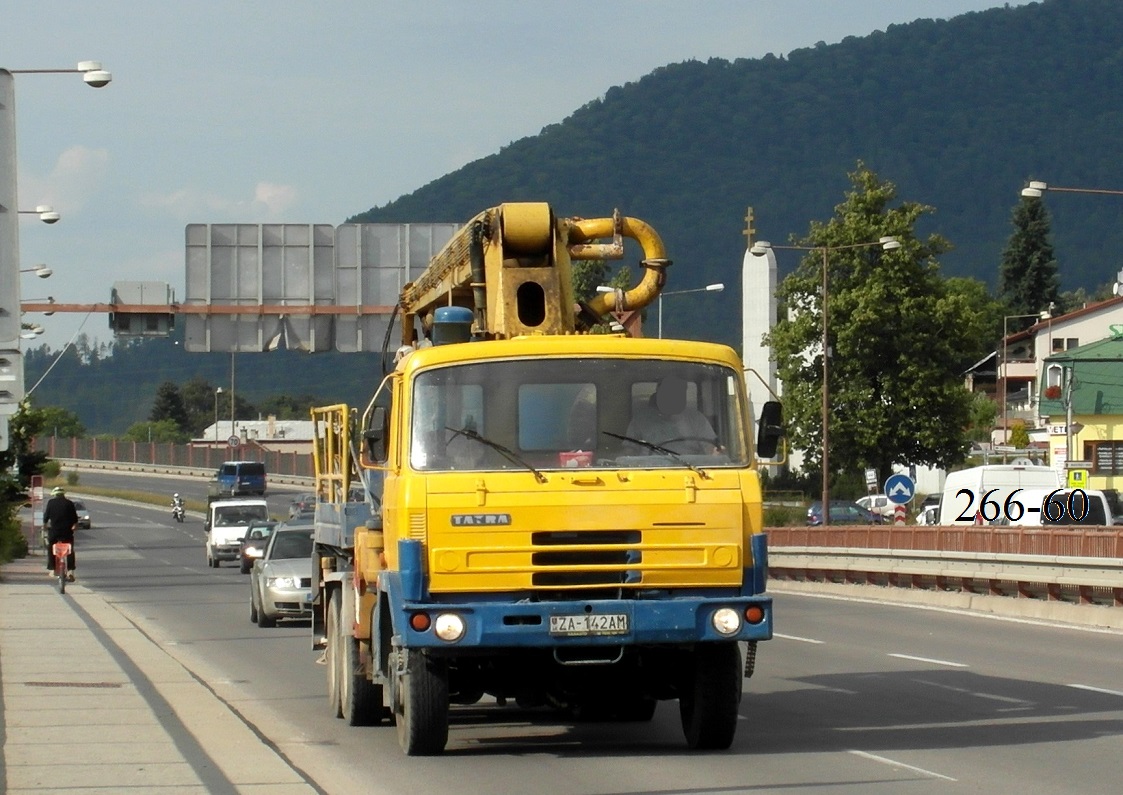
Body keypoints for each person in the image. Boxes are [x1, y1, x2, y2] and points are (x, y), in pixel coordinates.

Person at [625, 375, 719, 455]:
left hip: (691, 471)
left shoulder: (697, 419)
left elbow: (710, 446)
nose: (673, 395)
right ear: (659, 393)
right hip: (649, 471)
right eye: (669, 390)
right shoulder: (640, 420)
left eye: (678, 391)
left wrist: (715, 452)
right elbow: (629, 451)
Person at [43, 486, 79, 581]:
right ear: (63, 494)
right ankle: (71, 570)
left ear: (54, 495)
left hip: (55, 532)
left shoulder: (51, 503)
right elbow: (75, 519)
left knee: (51, 547)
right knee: (70, 549)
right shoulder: (69, 503)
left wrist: (45, 525)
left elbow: (46, 517)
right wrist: (74, 526)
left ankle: (52, 569)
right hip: (67, 532)